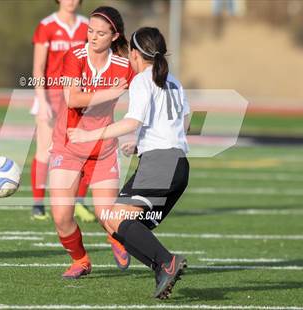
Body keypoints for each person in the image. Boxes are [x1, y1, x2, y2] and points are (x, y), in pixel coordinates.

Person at [68, 27, 190, 299]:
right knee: (114, 221)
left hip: (160, 163)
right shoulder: (174, 81)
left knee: (114, 217)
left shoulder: (142, 80)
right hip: (179, 165)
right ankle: (162, 268)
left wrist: (89, 134)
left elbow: (132, 122)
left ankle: (166, 262)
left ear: (135, 54)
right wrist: (143, 143)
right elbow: (185, 122)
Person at [49, 6, 135, 279]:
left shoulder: (125, 67)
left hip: (103, 149)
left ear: (114, 36)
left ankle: (117, 238)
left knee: (106, 216)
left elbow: (148, 94)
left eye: (100, 33)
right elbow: (72, 99)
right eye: (90, 31)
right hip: (68, 145)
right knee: (62, 217)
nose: (93, 37)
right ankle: (81, 260)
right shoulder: (74, 55)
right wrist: (110, 92)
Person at [31, 0, 95, 222]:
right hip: (52, 96)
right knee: (45, 150)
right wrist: (42, 100)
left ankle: (78, 202)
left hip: (78, 97)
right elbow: (38, 67)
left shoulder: (87, 26)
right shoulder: (46, 25)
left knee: (84, 151)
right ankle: (38, 204)